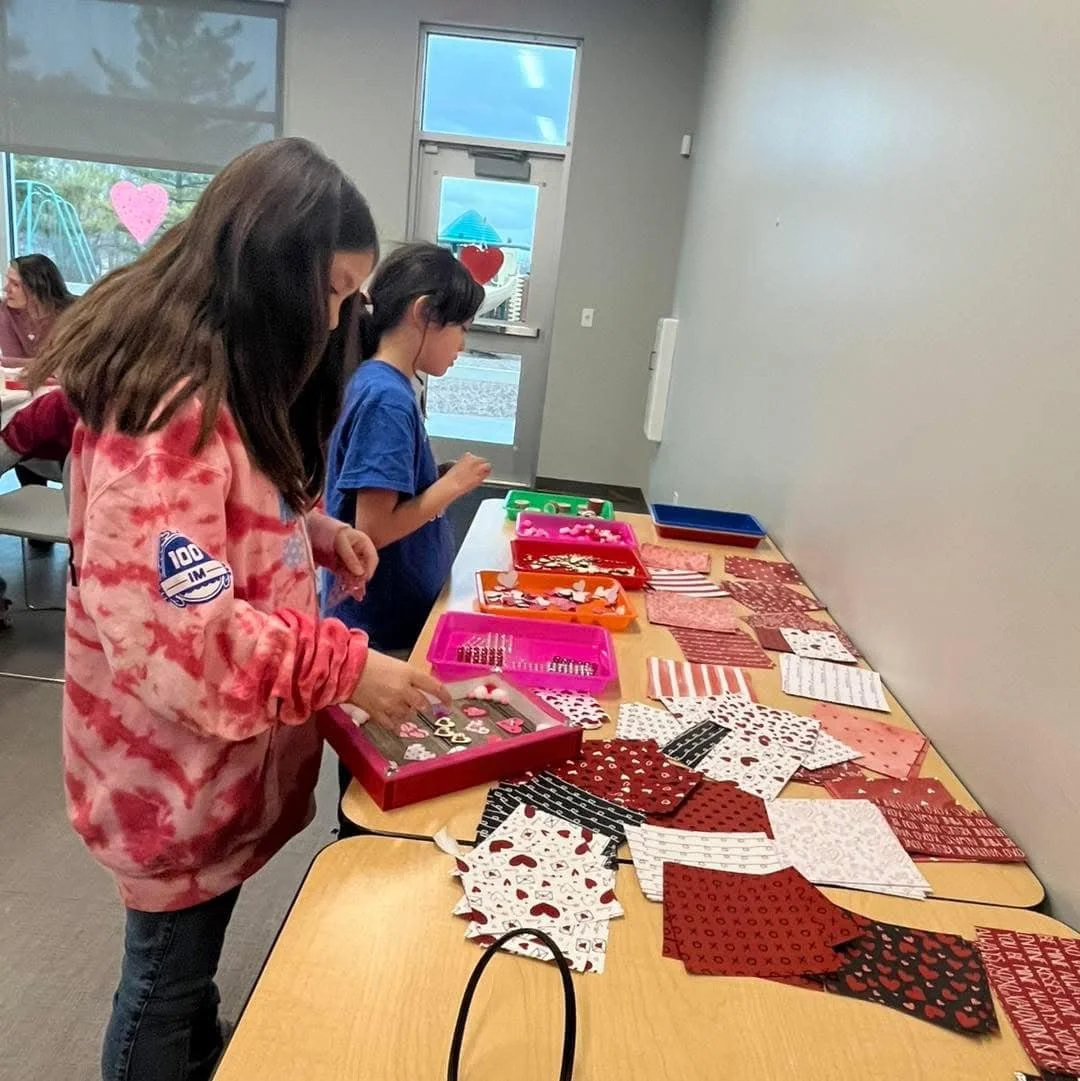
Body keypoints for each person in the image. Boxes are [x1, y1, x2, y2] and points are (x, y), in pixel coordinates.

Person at [29, 138, 450, 1081]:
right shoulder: (163, 413)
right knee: (162, 983)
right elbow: (185, 636)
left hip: (213, 771)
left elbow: (225, 513)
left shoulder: (218, 376)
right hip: (170, 777)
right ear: (271, 272)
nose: (338, 318)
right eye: (333, 293)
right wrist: (347, 667)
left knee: (187, 974)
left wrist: (312, 529)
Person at [323, 242, 492, 654]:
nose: (462, 345)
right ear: (424, 312)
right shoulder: (387, 400)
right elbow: (372, 530)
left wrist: (432, 479)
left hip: (391, 620)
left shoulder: (383, 384)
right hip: (382, 630)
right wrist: (452, 486)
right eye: (462, 328)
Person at [0, 253, 74, 360]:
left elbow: (69, 363)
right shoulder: (6, 311)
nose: (6, 289)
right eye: (8, 281)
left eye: (15, 284)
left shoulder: (73, 313)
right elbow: (12, 361)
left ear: (38, 288)